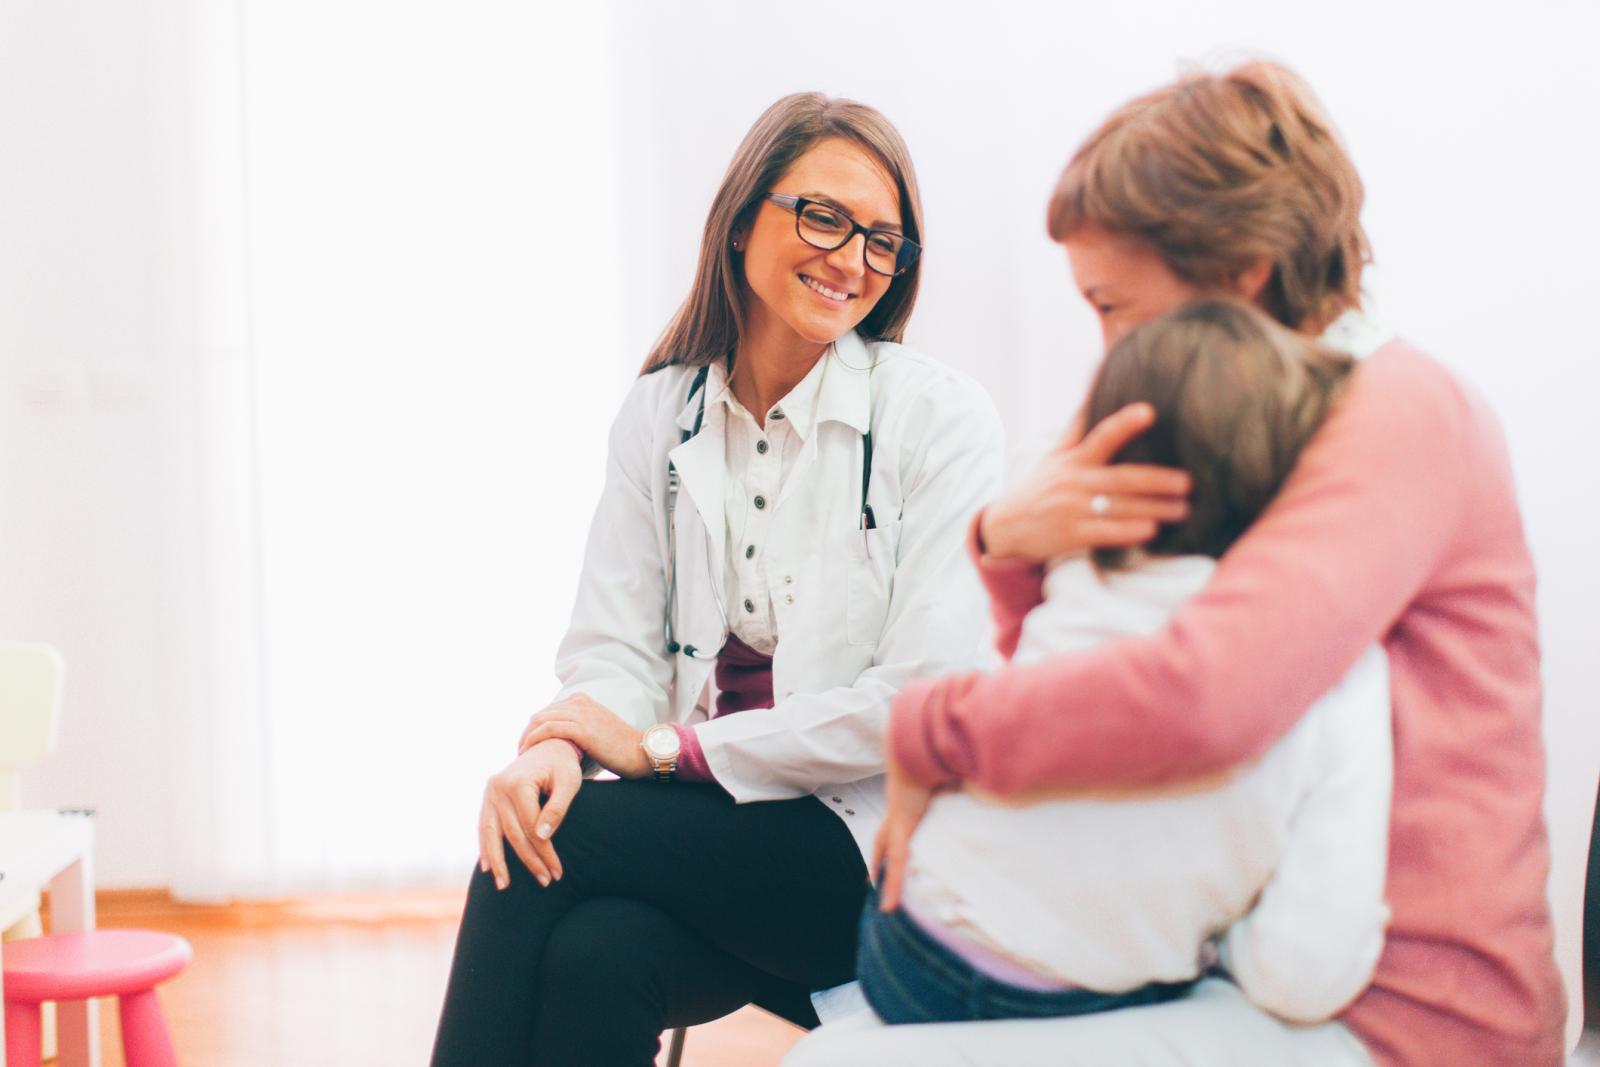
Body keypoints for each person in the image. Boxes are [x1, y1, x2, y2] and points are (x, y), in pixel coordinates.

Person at [787, 59, 1564, 1067]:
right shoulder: (1229, 409)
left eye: (1114, 304)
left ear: (1239, 274)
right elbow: (1073, 656)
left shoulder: (1398, 410)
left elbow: (1202, 693)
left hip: (1398, 1010)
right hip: (1242, 962)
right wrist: (1010, 551)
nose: (1104, 346)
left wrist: (926, 731)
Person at [429, 92, 1005, 1067]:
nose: (852, 257)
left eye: (882, 240)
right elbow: (613, 646)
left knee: (530, 862)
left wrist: (660, 748)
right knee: (593, 956)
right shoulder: (660, 413)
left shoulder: (939, 418)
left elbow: (915, 705)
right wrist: (560, 753)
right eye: (823, 215)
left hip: (877, 854)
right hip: (728, 847)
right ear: (743, 217)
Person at [856, 298, 1392, 1029]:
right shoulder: (1338, 663)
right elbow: (1301, 976)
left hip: (911, 943)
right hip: (1076, 993)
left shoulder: (1074, 573)